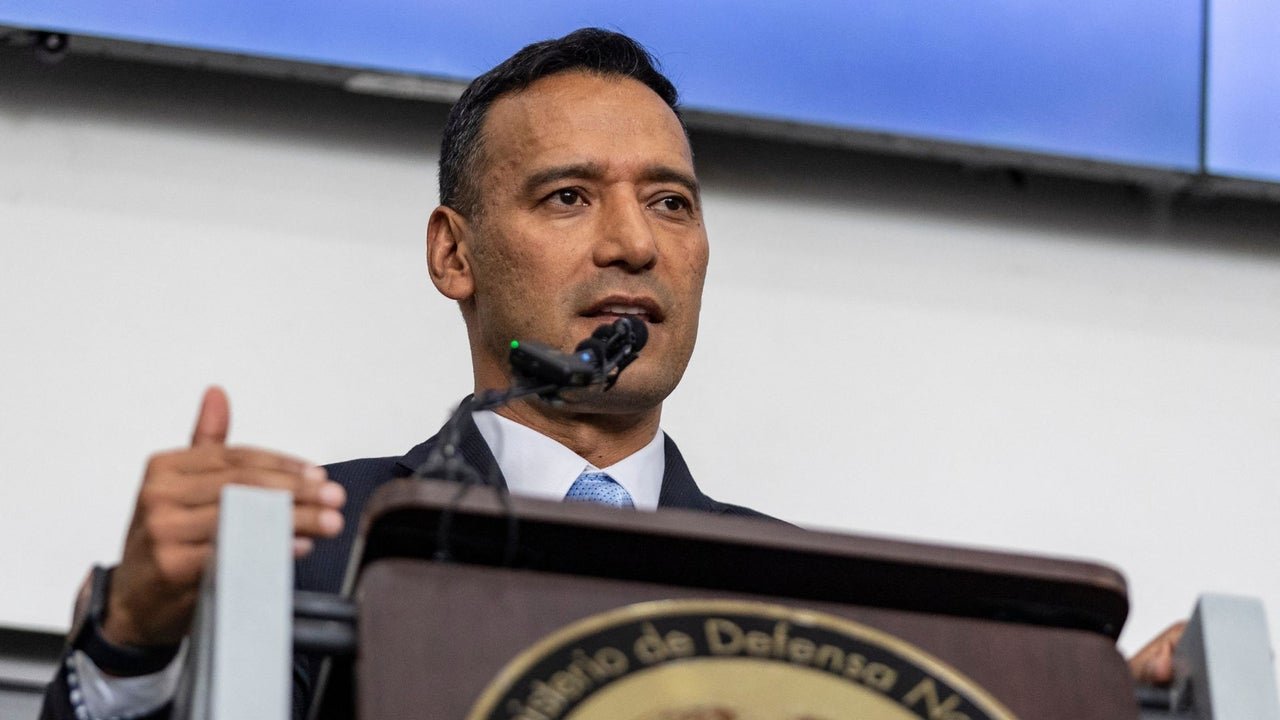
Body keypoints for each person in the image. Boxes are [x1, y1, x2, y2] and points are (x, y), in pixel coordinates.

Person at [40, 27, 1181, 720]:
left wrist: (1103, 707)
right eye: (569, 196)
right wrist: (132, 648)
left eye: (670, 203)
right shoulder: (306, 546)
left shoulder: (817, 596)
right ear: (453, 255)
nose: (634, 244)